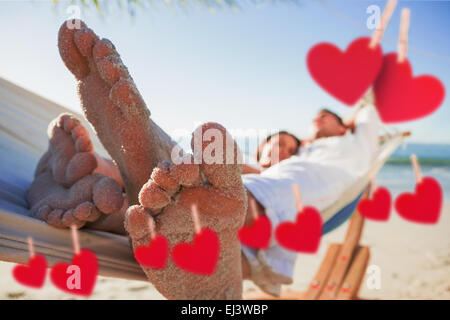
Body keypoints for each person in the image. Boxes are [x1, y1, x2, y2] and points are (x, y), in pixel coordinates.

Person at [27, 20, 381, 299]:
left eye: (327, 118)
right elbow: (223, 171)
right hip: (230, 207)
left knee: (210, 192)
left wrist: (359, 111)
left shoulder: (341, 149)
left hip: (262, 210)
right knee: (181, 185)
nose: (285, 150)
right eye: (278, 144)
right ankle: (106, 178)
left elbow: (371, 111)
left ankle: (123, 176)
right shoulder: (246, 166)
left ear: (342, 125)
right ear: (261, 152)